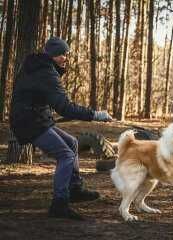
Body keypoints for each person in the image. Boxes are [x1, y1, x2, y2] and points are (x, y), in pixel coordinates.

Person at [9, 37, 113, 220]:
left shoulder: (39, 67)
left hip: (36, 118)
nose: (66, 57)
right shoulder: (46, 73)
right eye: (62, 54)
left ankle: (74, 189)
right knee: (65, 155)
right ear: (53, 55)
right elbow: (64, 107)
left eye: (66, 54)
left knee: (72, 143)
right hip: (29, 123)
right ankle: (59, 204)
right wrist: (96, 115)